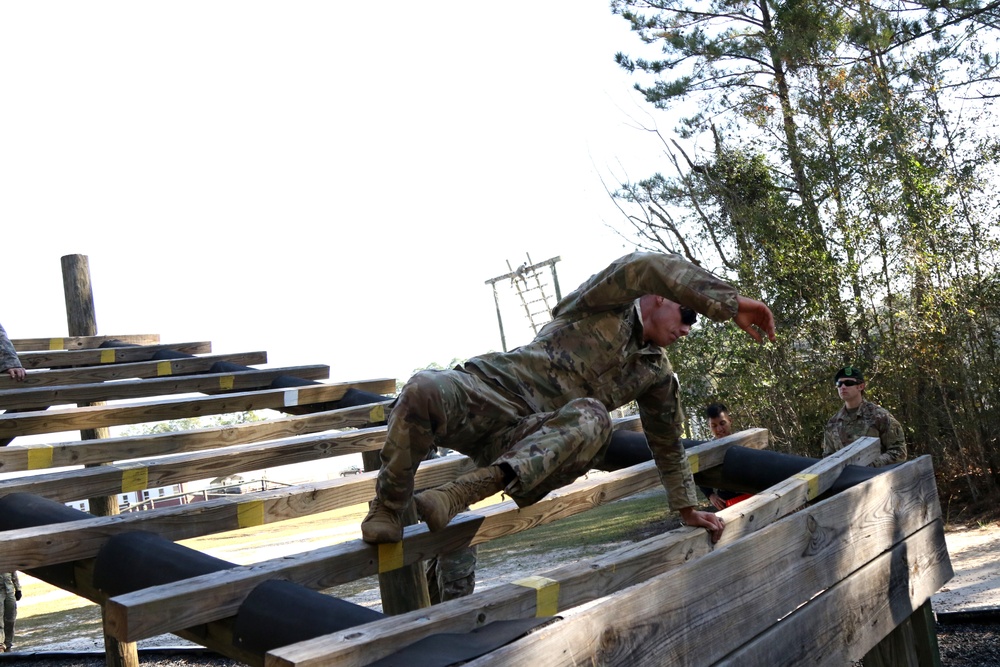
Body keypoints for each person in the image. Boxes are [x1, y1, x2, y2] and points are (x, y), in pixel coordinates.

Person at [361, 251, 776, 546]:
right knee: (422, 386)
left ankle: (461, 492)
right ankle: (388, 506)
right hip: (489, 393)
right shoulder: (600, 304)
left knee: (594, 418)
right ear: (659, 297)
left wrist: (686, 508)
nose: (689, 328)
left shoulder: (657, 375)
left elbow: (668, 444)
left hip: (531, 441)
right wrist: (729, 303)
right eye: (689, 314)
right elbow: (644, 266)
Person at [823, 366, 906, 467]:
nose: (843, 387)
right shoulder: (833, 423)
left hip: (877, 478)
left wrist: (871, 465)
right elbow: (828, 458)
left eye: (848, 383)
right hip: (847, 480)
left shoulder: (879, 416)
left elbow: (898, 452)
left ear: (861, 386)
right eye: (839, 384)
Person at [698, 403, 752, 509]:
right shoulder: (707, 450)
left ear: (730, 421)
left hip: (752, 498)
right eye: (714, 426)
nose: (719, 429)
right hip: (727, 503)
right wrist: (710, 495)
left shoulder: (746, 442)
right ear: (709, 426)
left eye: (722, 423)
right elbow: (699, 473)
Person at [0, 572, 21, 653]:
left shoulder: (7, 561)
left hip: (9, 592)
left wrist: (18, 589)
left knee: (11, 619)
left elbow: (14, 574)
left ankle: (8, 645)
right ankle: (0, 645)